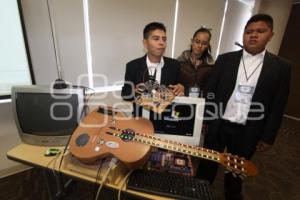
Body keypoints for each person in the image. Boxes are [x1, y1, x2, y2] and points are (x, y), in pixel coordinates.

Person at [197, 14, 291, 200]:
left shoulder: (281, 67)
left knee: (237, 169)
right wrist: (207, 119)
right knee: (207, 163)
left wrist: (268, 136)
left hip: (249, 129)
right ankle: (199, 189)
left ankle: (232, 192)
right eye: (249, 32)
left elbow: (278, 105)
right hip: (219, 123)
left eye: (260, 31)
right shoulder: (225, 60)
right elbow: (211, 92)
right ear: (243, 34)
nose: (253, 35)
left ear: (271, 34)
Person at [121, 22, 184, 104]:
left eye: (164, 39)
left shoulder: (174, 65)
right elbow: (125, 93)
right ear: (145, 43)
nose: (161, 43)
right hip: (140, 115)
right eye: (156, 38)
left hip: (165, 114)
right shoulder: (133, 66)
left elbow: (178, 90)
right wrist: (135, 92)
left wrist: (180, 88)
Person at [177, 27, 214, 97]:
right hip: (181, 103)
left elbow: (210, 89)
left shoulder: (211, 67)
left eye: (204, 43)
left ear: (207, 45)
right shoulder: (180, 62)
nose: (199, 46)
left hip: (201, 104)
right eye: (197, 42)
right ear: (192, 41)